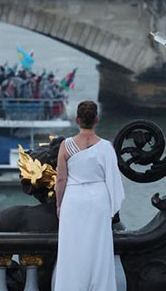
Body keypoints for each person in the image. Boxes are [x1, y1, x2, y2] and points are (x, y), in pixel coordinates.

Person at [53, 101, 125, 291]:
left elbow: (61, 180)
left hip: (73, 200)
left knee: (72, 250)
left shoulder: (66, 146)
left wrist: (59, 205)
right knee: (98, 249)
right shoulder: (106, 147)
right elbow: (114, 180)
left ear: (77, 119)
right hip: (98, 201)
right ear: (97, 119)